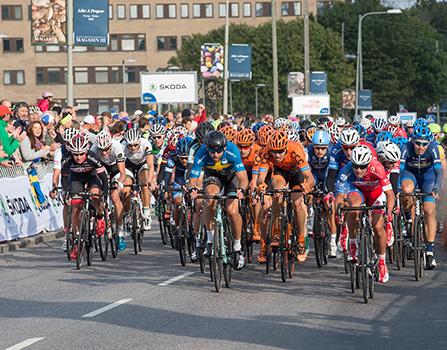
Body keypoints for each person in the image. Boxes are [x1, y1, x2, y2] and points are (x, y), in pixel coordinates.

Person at [189, 130, 248, 270]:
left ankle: (237, 247)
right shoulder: (201, 153)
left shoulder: (233, 150)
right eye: (212, 151)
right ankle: (210, 239)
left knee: (232, 211)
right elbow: (193, 179)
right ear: (207, 148)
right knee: (209, 198)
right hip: (214, 177)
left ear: (224, 148)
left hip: (231, 178)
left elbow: (243, 178)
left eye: (219, 151)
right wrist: (193, 189)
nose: (215, 155)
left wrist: (241, 190)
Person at [336, 145, 395, 283]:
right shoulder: (347, 170)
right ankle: (353, 244)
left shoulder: (377, 168)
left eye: (362, 167)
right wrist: (339, 212)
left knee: (378, 227)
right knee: (353, 208)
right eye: (356, 166)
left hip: (376, 194)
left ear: (368, 163)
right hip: (358, 192)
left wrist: (389, 212)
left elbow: (390, 194)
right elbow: (339, 196)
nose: (358, 170)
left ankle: (381, 262)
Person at [256, 130, 314, 262]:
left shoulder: (295, 150)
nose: (277, 155)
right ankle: (276, 230)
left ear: (286, 148)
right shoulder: (266, 151)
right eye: (274, 152)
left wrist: (308, 185)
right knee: (277, 191)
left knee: (298, 203)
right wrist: (261, 184)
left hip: (296, 172)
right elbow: (261, 177)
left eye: (280, 151)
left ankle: (300, 238)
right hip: (280, 172)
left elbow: (309, 177)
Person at [400, 123, 442, 269]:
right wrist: (398, 187)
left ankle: (429, 252)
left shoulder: (433, 148)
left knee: (429, 211)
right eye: (417, 143)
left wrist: (437, 187)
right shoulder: (405, 147)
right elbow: (400, 169)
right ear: (413, 141)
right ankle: (408, 218)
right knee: (406, 190)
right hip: (410, 174)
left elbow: (438, 171)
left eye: (424, 144)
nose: (421, 147)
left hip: (428, 177)